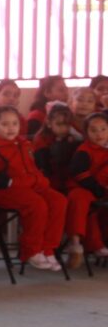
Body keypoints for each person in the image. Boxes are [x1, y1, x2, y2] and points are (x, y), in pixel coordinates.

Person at [0, 106, 66, 271]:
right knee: (37, 204)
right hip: (3, 191)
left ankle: (48, 248)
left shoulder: (25, 144)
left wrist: (38, 180)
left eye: (14, 123)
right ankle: (31, 251)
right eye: (5, 124)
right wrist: (12, 182)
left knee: (59, 201)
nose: (11, 128)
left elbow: (35, 168)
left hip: (31, 186)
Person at [64, 112, 108, 269]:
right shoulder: (84, 150)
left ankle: (98, 244)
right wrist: (99, 190)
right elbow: (79, 173)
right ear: (86, 133)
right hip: (83, 186)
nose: (99, 134)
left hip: (103, 189)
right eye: (94, 130)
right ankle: (75, 243)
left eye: (103, 129)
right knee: (79, 201)